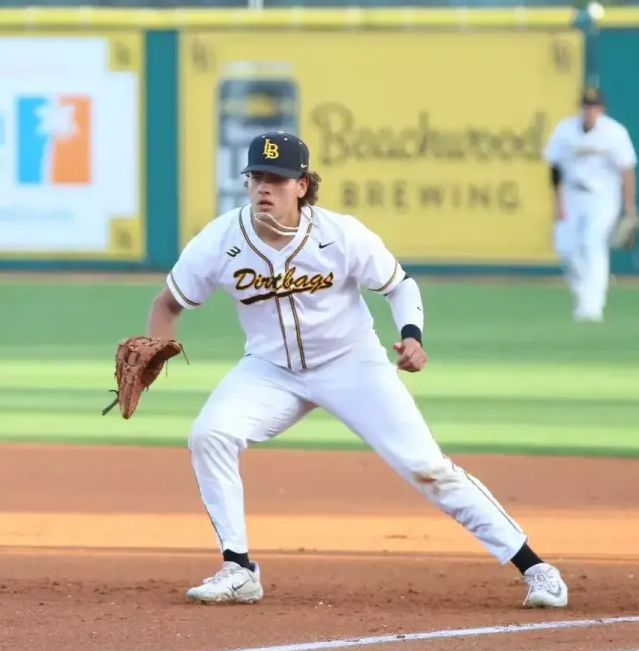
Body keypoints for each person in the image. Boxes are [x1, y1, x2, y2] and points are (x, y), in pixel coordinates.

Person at [148, 131, 569, 608]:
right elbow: (168, 302)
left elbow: (399, 285)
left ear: (302, 185)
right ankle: (238, 568)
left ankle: (537, 568)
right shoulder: (221, 239)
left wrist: (412, 336)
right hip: (269, 369)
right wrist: (158, 345)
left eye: (278, 179)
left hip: (352, 363)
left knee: (427, 466)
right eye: (257, 177)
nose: (265, 187)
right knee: (211, 434)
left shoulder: (340, 234)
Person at [544, 87, 639, 322]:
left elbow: (627, 170)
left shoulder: (615, 132)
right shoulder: (565, 130)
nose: (590, 110)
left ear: (602, 109)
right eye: (586, 105)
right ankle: (584, 297)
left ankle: (592, 308)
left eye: (594, 106)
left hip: (603, 196)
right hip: (572, 193)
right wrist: (558, 202)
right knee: (565, 247)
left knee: (593, 243)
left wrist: (629, 208)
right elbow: (554, 167)